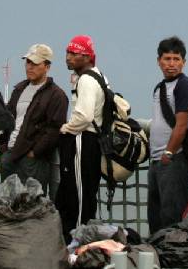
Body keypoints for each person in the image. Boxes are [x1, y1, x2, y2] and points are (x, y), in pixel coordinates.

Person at [56, 35, 108, 242]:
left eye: (75, 53)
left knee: (76, 197)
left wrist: (66, 129)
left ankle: (76, 243)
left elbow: (85, 116)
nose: (69, 57)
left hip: (82, 140)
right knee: (85, 194)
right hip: (93, 142)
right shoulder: (99, 76)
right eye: (68, 52)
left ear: (87, 57)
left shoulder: (86, 80)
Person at [0, 43, 67, 194]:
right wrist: (3, 148)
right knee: (8, 204)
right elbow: (7, 118)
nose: (30, 67)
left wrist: (35, 152)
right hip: (10, 154)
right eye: (28, 62)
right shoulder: (19, 89)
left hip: (33, 159)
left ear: (47, 66)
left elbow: (54, 130)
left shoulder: (57, 95)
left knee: (33, 206)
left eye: (35, 63)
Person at [147, 36, 188, 233]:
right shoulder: (159, 88)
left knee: (172, 218)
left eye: (176, 59)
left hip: (174, 159)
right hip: (157, 160)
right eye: (167, 59)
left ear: (184, 62)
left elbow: (181, 125)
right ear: (159, 61)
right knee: (156, 217)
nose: (172, 64)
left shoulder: (183, 86)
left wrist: (169, 152)